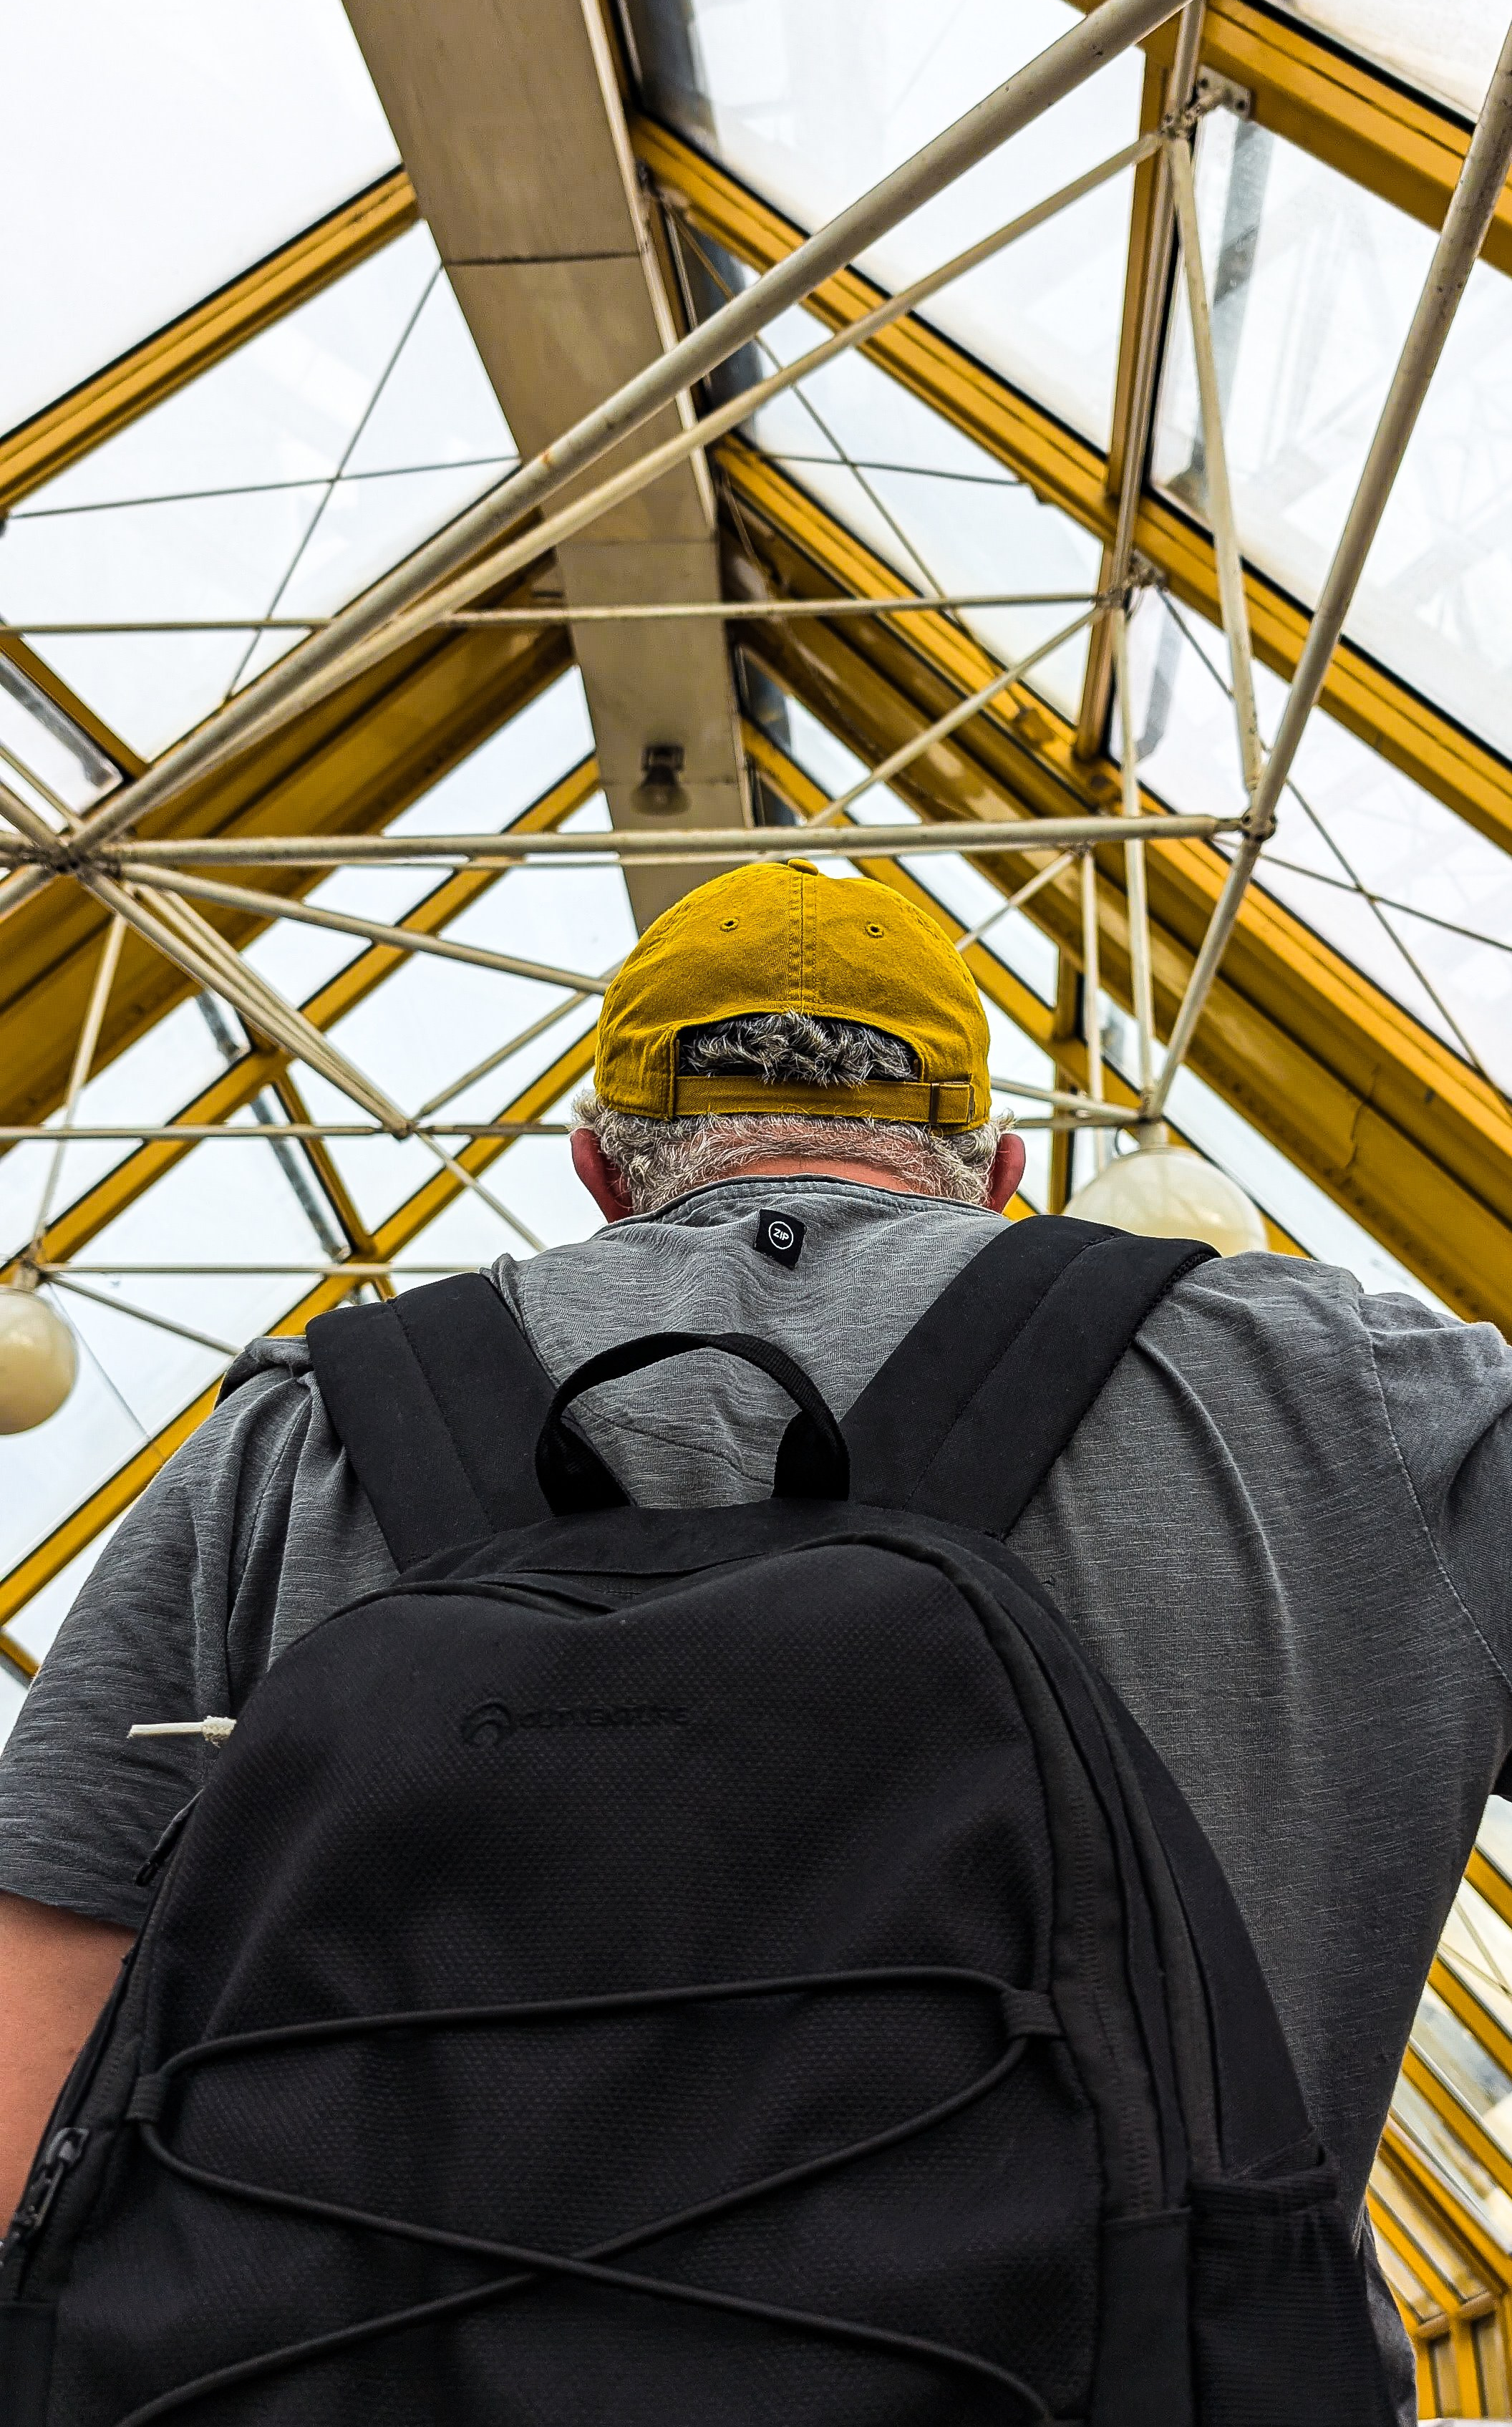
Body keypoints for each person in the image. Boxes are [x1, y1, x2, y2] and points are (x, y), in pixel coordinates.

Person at [2, 856, 1510, 2418]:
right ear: (996, 1169)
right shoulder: (1360, 1401)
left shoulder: (292, 1440)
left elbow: (36, 2061)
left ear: (598, 1168)